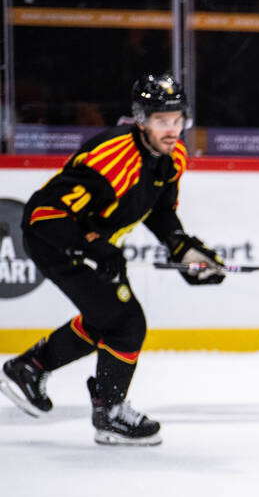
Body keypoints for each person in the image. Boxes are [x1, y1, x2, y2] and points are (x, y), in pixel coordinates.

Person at [0, 73, 225, 446]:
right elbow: (43, 214)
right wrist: (93, 247)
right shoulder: (111, 157)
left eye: (177, 119)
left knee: (110, 319)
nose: (172, 129)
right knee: (125, 322)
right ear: (141, 120)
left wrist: (184, 248)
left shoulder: (172, 155)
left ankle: (31, 366)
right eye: (161, 120)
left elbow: (159, 211)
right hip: (54, 242)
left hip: (90, 244)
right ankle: (110, 412)